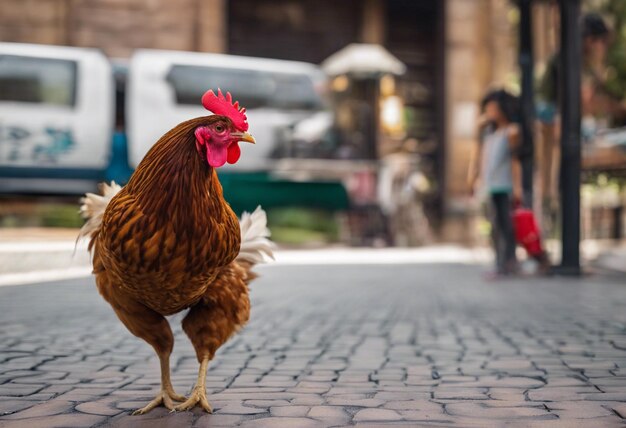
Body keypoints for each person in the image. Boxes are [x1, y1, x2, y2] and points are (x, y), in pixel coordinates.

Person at [468, 89, 522, 277]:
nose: (490, 112)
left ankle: (508, 262)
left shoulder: (511, 131)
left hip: (505, 185)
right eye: (487, 109)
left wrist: (517, 187)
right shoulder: (489, 134)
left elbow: (515, 162)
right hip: (491, 186)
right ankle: (500, 262)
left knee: (507, 226)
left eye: (493, 109)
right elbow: (480, 158)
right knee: (494, 226)